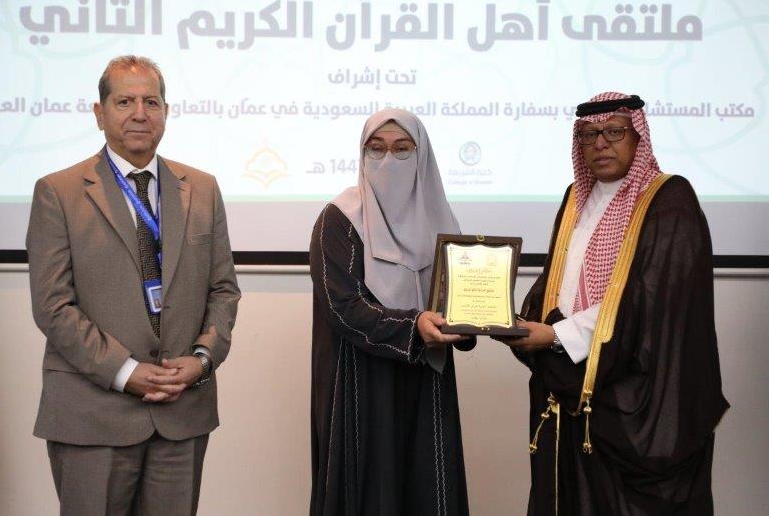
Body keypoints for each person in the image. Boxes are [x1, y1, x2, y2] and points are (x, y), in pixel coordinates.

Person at [26, 55, 240, 515]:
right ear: (99, 113)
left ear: (166, 111)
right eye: (124, 102)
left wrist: (202, 359)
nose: (140, 113)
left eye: (151, 102)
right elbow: (52, 305)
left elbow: (224, 290)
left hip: (183, 411)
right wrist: (125, 371)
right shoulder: (58, 192)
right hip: (94, 414)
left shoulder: (202, 188)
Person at [502, 92, 729, 515]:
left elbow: (651, 305)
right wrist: (510, 321)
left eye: (613, 132)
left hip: (634, 395)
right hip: (568, 380)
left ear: (638, 137)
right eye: (588, 135)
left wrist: (555, 335)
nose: (600, 144)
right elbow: (557, 284)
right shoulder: (576, 197)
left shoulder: (669, 199)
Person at [308, 108, 475, 515]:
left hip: (426, 379)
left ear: (422, 156)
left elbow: (460, 300)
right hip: (361, 380)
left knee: (427, 485)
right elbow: (343, 308)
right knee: (369, 488)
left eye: (402, 150)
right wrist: (414, 326)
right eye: (376, 149)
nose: (388, 160)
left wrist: (472, 321)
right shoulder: (339, 218)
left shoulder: (442, 220)